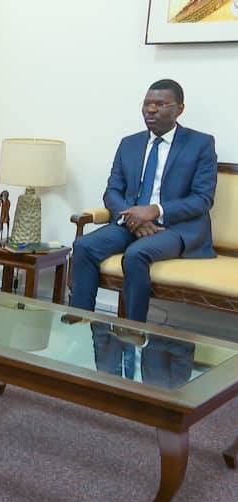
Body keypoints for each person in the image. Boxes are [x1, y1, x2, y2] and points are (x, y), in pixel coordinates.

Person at [69, 79, 217, 322]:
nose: (151, 110)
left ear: (179, 108)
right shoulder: (130, 143)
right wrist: (134, 217)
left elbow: (202, 200)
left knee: (136, 254)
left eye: (160, 104)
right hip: (131, 222)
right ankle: (78, 323)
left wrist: (153, 210)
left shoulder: (200, 144)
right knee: (84, 246)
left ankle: (133, 331)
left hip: (177, 228)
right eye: (147, 104)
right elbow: (112, 192)